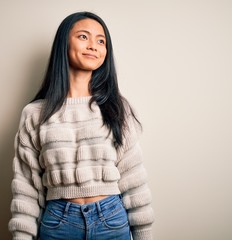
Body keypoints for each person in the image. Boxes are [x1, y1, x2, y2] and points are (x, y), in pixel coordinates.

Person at [8, 11, 154, 240]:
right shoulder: (35, 114)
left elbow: (134, 181)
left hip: (111, 220)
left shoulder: (118, 109)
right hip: (58, 224)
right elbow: (26, 188)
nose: (93, 46)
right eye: (83, 37)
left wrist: (144, 235)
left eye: (101, 40)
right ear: (63, 44)